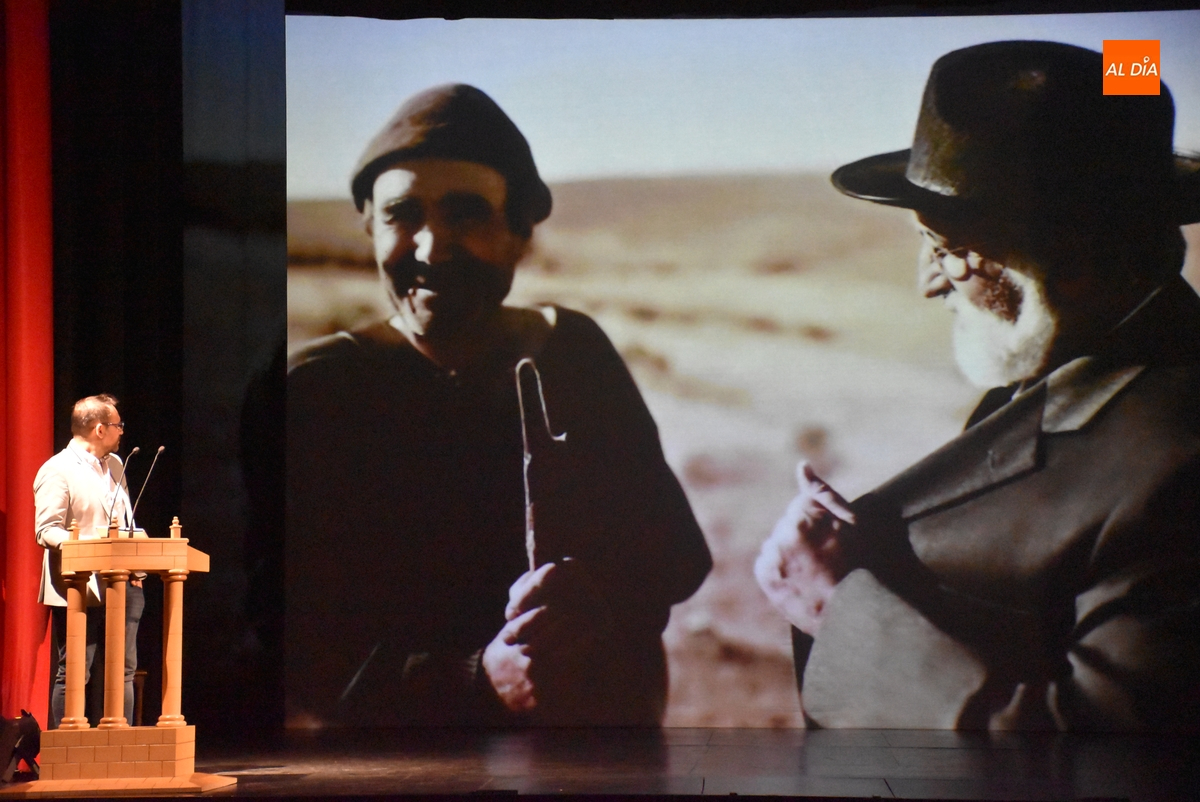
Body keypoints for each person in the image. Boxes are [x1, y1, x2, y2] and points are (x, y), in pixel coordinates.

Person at [756, 41, 1200, 731]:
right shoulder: (1062, 373)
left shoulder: (1180, 459)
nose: (928, 283)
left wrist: (838, 611)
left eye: (951, 251)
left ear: (1074, 264)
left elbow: (1109, 754)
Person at [287, 84, 712, 727]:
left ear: (518, 235)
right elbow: (296, 646)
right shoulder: (322, 389)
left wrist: (592, 597)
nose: (432, 248)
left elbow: (676, 557)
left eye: (466, 214)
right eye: (403, 214)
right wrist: (476, 679)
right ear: (371, 230)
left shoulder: (571, 354)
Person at [35, 394, 143, 728]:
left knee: (123, 670)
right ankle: (69, 746)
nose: (121, 431)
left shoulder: (116, 465)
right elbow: (46, 530)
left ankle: (121, 745)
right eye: (117, 425)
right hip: (79, 584)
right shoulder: (57, 470)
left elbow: (124, 520)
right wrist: (89, 547)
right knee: (75, 669)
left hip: (121, 581)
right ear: (99, 429)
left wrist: (137, 566)